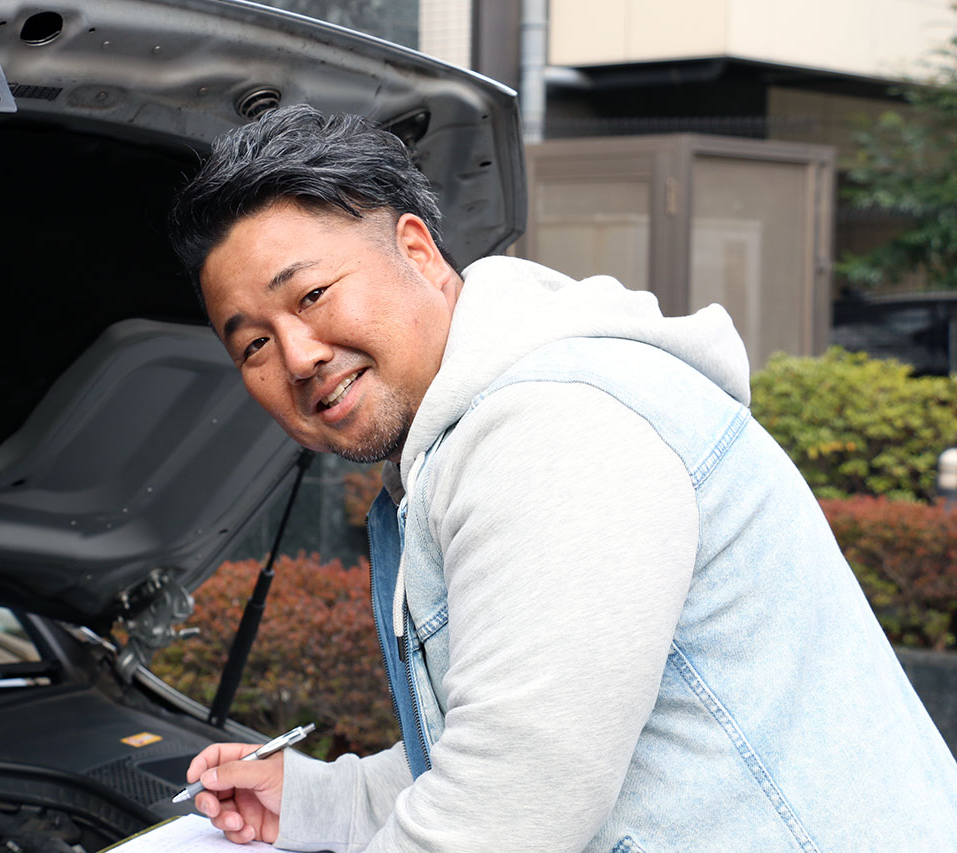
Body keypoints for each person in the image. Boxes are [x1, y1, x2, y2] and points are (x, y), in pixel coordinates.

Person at [166, 104, 957, 852]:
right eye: (254, 346)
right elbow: (521, 740)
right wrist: (322, 801)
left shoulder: (553, 428)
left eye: (311, 294)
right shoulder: (473, 434)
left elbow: (505, 808)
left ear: (417, 252)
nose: (297, 355)